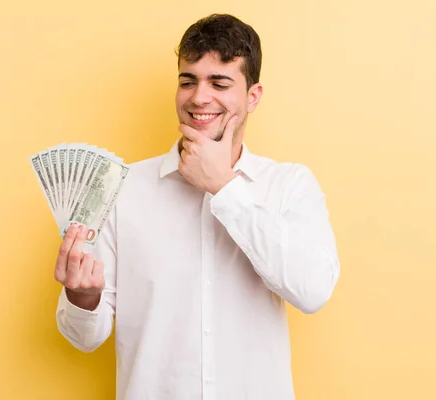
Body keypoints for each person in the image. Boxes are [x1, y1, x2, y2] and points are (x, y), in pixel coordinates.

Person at [53, 13, 340, 400]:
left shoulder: (289, 185)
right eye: (188, 81)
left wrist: (223, 186)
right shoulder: (121, 189)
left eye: (219, 83)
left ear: (252, 97)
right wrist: (82, 299)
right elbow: (84, 338)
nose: (199, 97)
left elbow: (313, 290)